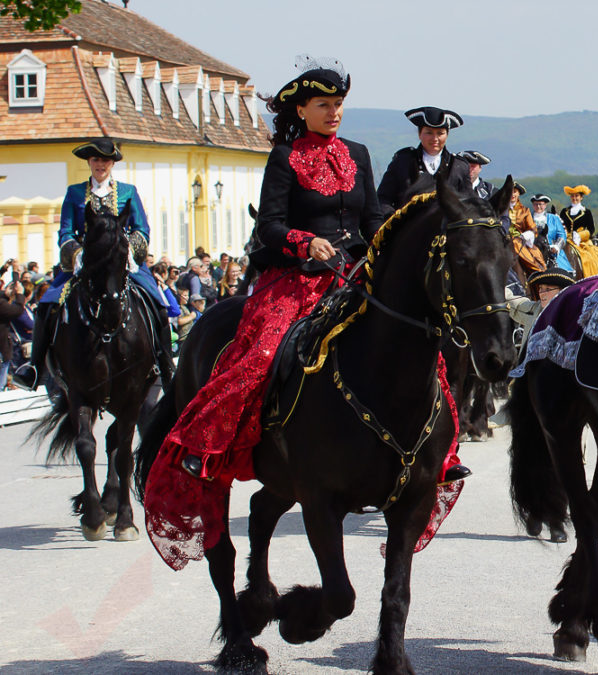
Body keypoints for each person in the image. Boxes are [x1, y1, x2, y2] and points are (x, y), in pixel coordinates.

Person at [141, 56, 389, 569]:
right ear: (302, 109)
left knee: (409, 341)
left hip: (355, 275)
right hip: (297, 279)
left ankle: (435, 456)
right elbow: (270, 228)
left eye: (339, 104)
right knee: (262, 353)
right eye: (324, 105)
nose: (334, 112)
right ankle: (207, 442)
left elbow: (374, 217)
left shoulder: (360, 154)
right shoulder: (284, 157)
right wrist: (306, 241)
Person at [11, 138, 173, 391]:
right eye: (96, 159)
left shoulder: (128, 191)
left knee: (158, 302)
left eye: (105, 160)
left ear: (112, 163)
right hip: (85, 264)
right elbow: (65, 231)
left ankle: (165, 363)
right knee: (46, 304)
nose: (101, 164)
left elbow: (142, 229)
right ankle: (34, 368)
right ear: (89, 162)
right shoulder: (75, 193)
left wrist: (127, 251)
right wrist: (77, 255)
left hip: (122, 261)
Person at [377, 106, 472, 215]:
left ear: (446, 135)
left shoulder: (458, 166)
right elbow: (383, 199)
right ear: (419, 134)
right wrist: (394, 221)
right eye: (429, 133)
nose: (435, 139)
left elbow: (469, 203)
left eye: (440, 133)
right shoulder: (403, 162)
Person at [531, 194, 572, 272]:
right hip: (532, 251)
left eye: (541, 204)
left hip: (551, 251)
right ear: (533, 205)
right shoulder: (528, 217)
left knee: (563, 272)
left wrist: (557, 246)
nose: (538, 206)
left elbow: (562, 235)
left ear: (545, 205)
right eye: (536, 204)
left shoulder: (554, 218)